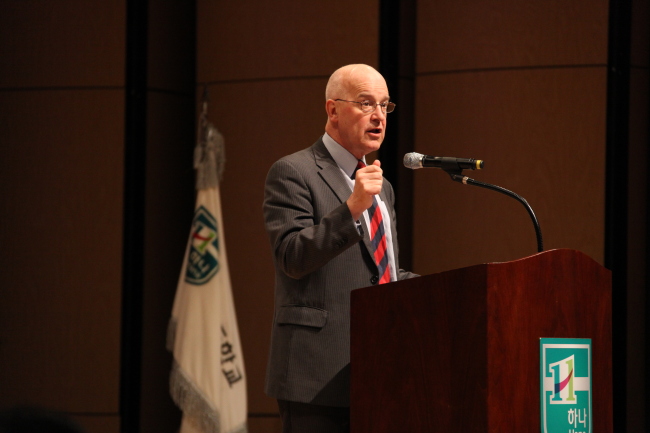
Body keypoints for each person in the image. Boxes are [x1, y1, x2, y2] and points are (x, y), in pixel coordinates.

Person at [263, 64, 417, 433]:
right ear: (332, 110)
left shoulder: (383, 188)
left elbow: (383, 272)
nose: (378, 115)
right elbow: (292, 257)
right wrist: (352, 208)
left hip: (378, 367)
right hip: (316, 374)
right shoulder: (293, 172)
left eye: (384, 105)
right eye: (365, 103)